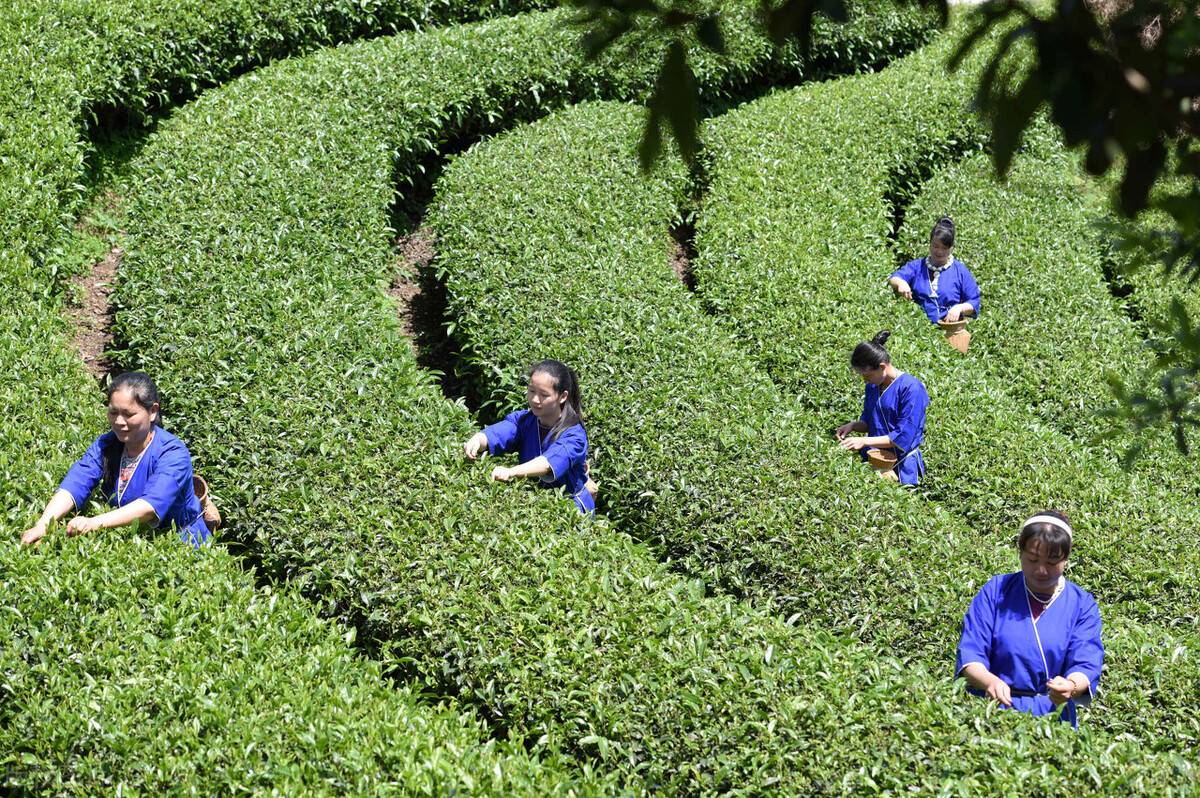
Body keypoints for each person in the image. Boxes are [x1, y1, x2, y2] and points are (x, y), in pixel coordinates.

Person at [20, 371, 211, 549]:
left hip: (182, 543)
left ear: (152, 411)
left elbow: (150, 506)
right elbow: (77, 482)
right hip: (133, 542)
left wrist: (94, 522)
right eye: (113, 413)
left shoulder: (173, 453)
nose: (119, 421)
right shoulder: (107, 443)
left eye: (129, 414)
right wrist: (44, 524)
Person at [955, 511, 1103, 728]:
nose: (1041, 570)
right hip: (995, 709)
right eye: (1033, 559)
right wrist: (990, 681)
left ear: (1066, 560)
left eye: (1052, 562)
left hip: (1053, 716)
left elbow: (1087, 660)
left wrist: (1070, 685)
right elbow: (971, 651)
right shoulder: (996, 591)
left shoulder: (1081, 604)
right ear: (1020, 553)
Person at [463, 360, 595, 513]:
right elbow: (501, 432)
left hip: (570, 509)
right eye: (532, 391)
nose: (535, 399)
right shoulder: (524, 420)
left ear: (563, 396)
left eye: (544, 395)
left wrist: (511, 471)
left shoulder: (574, 435)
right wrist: (478, 440)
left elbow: (548, 463)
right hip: (535, 504)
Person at [835, 330, 929, 485]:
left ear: (882, 367)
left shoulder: (912, 389)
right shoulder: (873, 386)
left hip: (902, 465)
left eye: (867, 376)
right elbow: (870, 422)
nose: (865, 380)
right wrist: (852, 426)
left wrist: (864, 441)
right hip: (874, 459)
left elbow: (902, 436)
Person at [888, 217, 981, 323]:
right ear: (930, 244)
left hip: (951, 329)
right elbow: (894, 278)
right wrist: (901, 283)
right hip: (919, 329)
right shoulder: (917, 266)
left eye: (944, 248)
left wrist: (959, 308)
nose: (939, 251)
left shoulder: (960, 271)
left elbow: (974, 301)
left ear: (952, 248)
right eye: (936, 246)